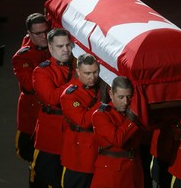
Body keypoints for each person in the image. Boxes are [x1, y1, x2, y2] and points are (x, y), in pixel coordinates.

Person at [32, 28, 75, 188]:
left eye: (68, 45)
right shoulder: (42, 71)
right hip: (51, 135)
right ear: (50, 48)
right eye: (60, 46)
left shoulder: (75, 67)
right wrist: (77, 81)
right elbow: (51, 98)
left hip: (72, 134)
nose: (65, 49)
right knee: (47, 177)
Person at [12, 13, 50, 188]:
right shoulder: (22, 56)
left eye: (45, 32)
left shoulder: (54, 44)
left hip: (51, 115)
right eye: (38, 34)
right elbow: (29, 85)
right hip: (33, 114)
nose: (43, 36)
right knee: (35, 162)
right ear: (29, 34)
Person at [90, 76, 144, 188]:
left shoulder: (132, 111)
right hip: (112, 173)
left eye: (129, 97)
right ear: (111, 94)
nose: (125, 102)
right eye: (121, 97)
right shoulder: (101, 115)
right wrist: (131, 121)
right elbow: (117, 139)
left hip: (133, 169)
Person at [60, 53, 101, 188]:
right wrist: (102, 103)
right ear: (78, 72)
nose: (92, 77)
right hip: (79, 156)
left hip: (98, 152)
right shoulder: (69, 95)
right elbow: (83, 121)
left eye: (95, 72)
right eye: (87, 73)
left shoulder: (100, 88)